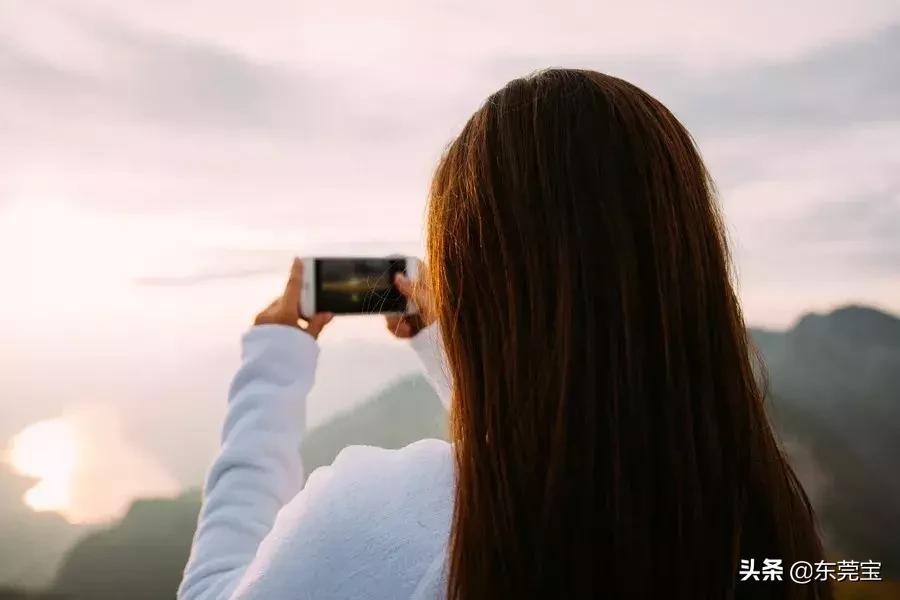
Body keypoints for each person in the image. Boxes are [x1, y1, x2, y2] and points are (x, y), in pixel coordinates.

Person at [178, 69, 831, 600]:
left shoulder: (378, 521)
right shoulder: (760, 521)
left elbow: (215, 592)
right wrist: (447, 350)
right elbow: (557, 452)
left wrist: (273, 363)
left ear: (475, 286)